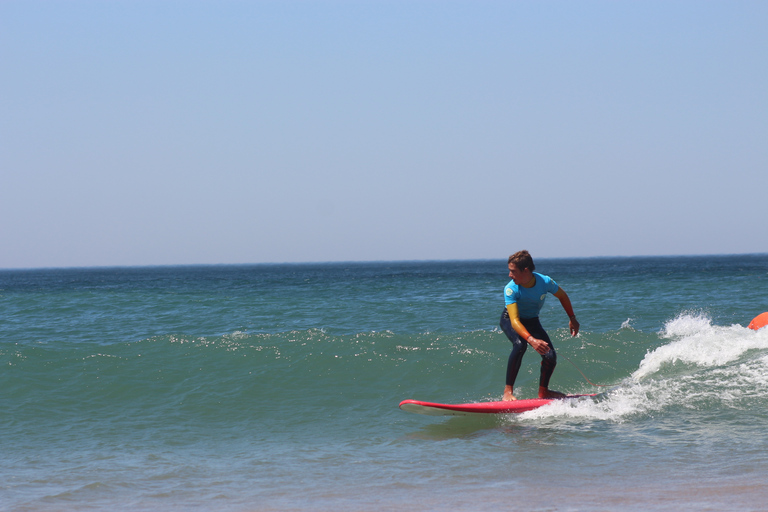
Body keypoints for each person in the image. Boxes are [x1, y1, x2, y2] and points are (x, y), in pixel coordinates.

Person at [500, 250, 579, 401]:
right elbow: (515, 321)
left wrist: (572, 318)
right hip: (510, 319)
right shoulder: (511, 289)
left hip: (532, 320)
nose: (510, 275)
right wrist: (531, 340)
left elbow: (562, 296)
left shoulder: (545, 282)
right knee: (520, 345)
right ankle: (508, 392)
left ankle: (544, 392)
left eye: (513, 271)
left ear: (526, 270)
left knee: (550, 355)